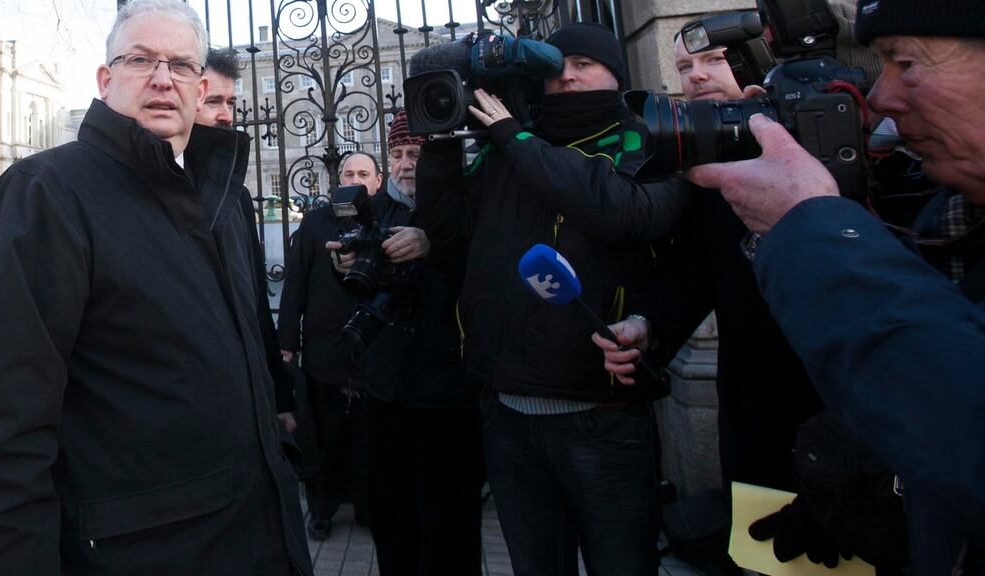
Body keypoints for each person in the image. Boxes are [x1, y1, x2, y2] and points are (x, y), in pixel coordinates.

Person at [0, 1, 313, 575]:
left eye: (179, 64)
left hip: (254, 538)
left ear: (201, 89)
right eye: (140, 59)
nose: (160, 77)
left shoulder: (221, 195)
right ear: (105, 81)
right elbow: (1, 424)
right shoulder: (46, 195)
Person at [678, 0, 985, 572]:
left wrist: (810, 222)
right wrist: (875, 480)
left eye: (905, 63)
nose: (882, 97)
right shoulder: (950, 224)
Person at [417, 22, 685, 576]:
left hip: (602, 421)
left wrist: (516, 139)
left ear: (617, 73)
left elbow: (623, 213)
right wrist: (440, 143)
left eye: (583, 64)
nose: (564, 75)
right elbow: (447, 235)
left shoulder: (647, 140)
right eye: (554, 65)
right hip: (508, 415)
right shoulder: (506, 147)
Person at [596, 24, 824, 495]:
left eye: (714, 60)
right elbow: (694, 272)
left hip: (845, 421)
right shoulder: (710, 170)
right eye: (684, 66)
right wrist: (645, 323)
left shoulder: (829, 147)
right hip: (756, 418)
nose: (696, 76)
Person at [328, 111, 484, 576]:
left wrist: (432, 245)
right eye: (395, 155)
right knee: (390, 513)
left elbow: (484, 272)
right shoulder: (377, 210)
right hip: (387, 388)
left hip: (449, 392)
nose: (404, 165)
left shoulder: (465, 204)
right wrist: (350, 269)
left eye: (415, 153)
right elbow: (367, 286)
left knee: (449, 519)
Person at [276, 150, 382, 540]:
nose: (355, 179)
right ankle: (322, 509)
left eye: (363, 173)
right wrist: (287, 342)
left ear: (377, 180)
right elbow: (296, 283)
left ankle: (368, 505)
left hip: (374, 348)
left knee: (370, 437)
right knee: (324, 435)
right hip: (325, 347)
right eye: (348, 172)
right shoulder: (317, 222)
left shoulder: (386, 219)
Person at [200, 46, 299, 437]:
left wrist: (279, 394)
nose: (227, 115)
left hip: (247, 400)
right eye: (213, 101)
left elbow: (257, 303)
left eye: (230, 102)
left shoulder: (237, 196)